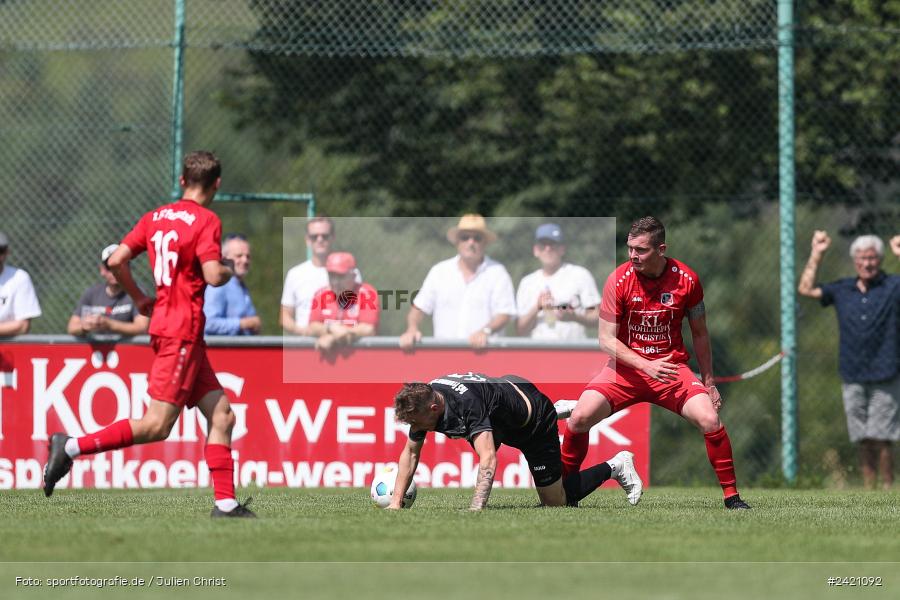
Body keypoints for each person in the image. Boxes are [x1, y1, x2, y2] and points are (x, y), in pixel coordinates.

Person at [42, 150, 255, 517]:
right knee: (157, 425)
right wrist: (227, 268)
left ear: (182, 181)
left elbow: (116, 260)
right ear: (216, 184)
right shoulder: (206, 220)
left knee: (222, 416)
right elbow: (212, 275)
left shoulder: (155, 217)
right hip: (181, 332)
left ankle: (225, 504)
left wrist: (140, 297)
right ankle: (71, 447)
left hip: (171, 329)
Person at [556, 216, 751, 509]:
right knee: (580, 417)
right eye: (630, 248)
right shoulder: (618, 280)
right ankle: (563, 493)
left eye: (641, 250)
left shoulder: (687, 280)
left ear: (661, 249)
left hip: (671, 371)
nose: (633, 255)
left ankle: (732, 498)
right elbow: (606, 340)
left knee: (710, 420)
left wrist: (709, 383)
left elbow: (700, 334)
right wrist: (645, 365)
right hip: (625, 372)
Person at [390, 372, 643, 510]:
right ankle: (558, 408)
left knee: (556, 502)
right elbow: (410, 453)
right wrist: (395, 503)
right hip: (506, 402)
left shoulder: (467, 406)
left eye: (415, 422)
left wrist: (477, 506)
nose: (414, 428)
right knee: (488, 427)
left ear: (434, 408)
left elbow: (488, 458)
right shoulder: (428, 396)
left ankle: (616, 466)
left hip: (534, 424)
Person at [798, 231, 900, 490]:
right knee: (862, 436)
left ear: (880, 260)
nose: (867, 263)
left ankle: (888, 487)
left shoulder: (893, 286)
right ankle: (869, 489)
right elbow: (806, 288)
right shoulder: (842, 289)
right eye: (862, 258)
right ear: (855, 261)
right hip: (852, 370)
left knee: (883, 435)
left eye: (872, 258)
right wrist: (817, 254)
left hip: (886, 370)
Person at [399, 214, 516, 350]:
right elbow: (419, 308)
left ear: (485, 243)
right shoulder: (439, 272)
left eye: (477, 238)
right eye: (465, 237)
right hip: (445, 354)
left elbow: (505, 313)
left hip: (484, 354)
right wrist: (412, 329)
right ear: (457, 242)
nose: (471, 242)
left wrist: (485, 331)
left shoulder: (498, 273)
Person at [516, 223, 600, 340]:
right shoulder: (527, 283)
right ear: (536, 250)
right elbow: (520, 330)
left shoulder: (580, 275)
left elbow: (597, 317)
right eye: (543, 245)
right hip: (539, 349)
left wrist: (574, 317)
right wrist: (537, 307)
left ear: (562, 249)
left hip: (574, 347)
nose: (548, 249)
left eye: (553, 244)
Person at [66, 244, 150, 338]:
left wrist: (109, 324)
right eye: (109, 267)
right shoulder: (92, 293)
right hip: (98, 347)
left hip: (127, 347)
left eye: (120, 266)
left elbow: (142, 327)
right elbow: (72, 327)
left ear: (128, 268)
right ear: (102, 270)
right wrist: (84, 326)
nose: (114, 272)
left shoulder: (137, 292)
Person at [307, 252, 379, 353]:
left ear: (353, 276)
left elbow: (368, 329)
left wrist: (335, 336)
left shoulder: (367, 294)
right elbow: (312, 326)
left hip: (362, 357)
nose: (335, 282)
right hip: (328, 359)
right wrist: (330, 329)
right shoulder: (321, 294)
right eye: (331, 276)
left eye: (340, 277)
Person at [280, 216, 335, 335]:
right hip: (305, 343)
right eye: (314, 236)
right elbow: (285, 316)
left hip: (339, 343)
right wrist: (302, 331)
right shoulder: (295, 274)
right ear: (307, 240)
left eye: (325, 236)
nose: (320, 239)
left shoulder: (351, 273)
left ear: (333, 237)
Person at [203, 233, 260, 336]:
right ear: (224, 257)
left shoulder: (240, 285)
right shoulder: (219, 284)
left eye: (248, 256)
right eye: (239, 256)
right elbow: (208, 323)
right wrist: (243, 324)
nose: (245, 260)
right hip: (218, 346)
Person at [0, 231, 42, 336]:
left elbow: (23, 326)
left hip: (7, 344)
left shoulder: (19, 278)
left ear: (7, 252)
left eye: (0, 251)